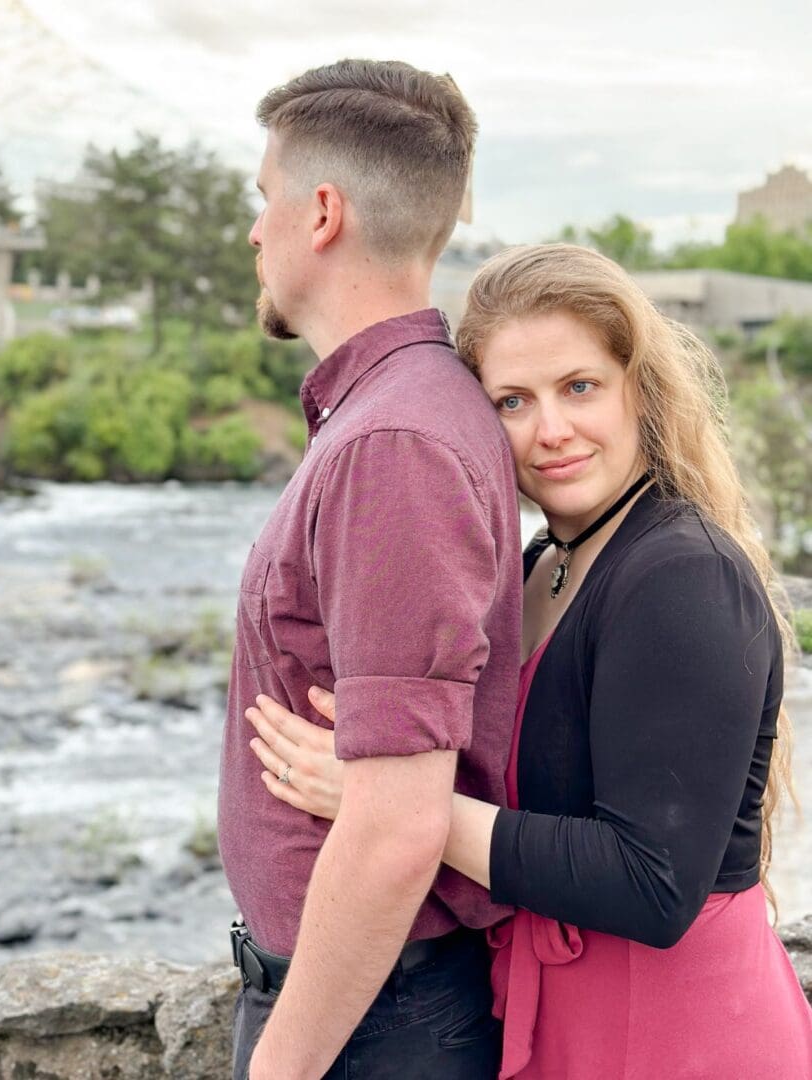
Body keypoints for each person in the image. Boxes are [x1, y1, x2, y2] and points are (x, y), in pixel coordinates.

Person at [247, 244, 812, 1078]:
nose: (551, 431)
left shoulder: (680, 574)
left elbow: (650, 883)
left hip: (673, 1033)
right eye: (514, 401)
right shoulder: (542, 559)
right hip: (558, 1016)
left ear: (639, 390)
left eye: (580, 387)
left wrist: (388, 803)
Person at [218, 60, 523, 1080]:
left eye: (264, 200)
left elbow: (396, 824)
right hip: (374, 1010)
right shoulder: (394, 414)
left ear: (321, 213)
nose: (254, 231)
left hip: (373, 1030)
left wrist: (282, 1066)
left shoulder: (393, 444)